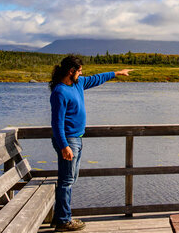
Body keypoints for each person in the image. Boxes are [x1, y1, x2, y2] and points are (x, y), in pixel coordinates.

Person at [49, 55, 133, 232]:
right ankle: (63, 221)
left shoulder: (78, 84)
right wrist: (64, 146)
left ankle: (59, 217)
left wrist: (117, 73)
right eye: (79, 71)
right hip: (69, 141)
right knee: (66, 181)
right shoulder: (60, 92)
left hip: (76, 139)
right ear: (71, 72)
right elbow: (56, 123)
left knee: (70, 179)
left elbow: (97, 78)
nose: (82, 74)